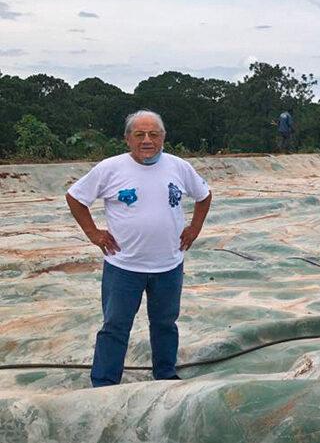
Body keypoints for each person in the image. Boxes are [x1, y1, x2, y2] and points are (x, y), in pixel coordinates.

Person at [65, 110, 212, 387]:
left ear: (163, 138)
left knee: (165, 324)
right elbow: (75, 197)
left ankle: (165, 374)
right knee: (115, 326)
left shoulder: (178, 167)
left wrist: (194, 229)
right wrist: (93, 233)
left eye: (154, 134)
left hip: (168, 265)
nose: (147, 140)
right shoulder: (110, 168)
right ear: (127, 139)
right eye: (140, 134)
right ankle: (105, 382)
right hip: (124, 267)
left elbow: (204, 196)